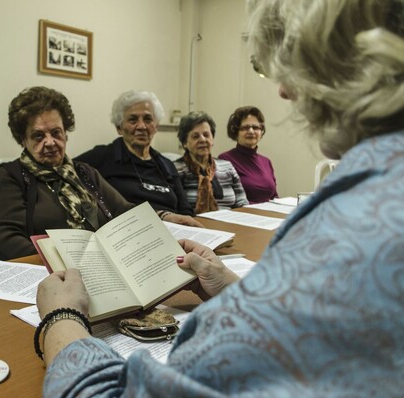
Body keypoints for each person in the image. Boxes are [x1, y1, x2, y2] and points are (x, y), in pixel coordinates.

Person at [34, 0, 404, 395]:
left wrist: (62, 316)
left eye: (291, 61)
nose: (282, 88)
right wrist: (232, 289)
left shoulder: (357, 225)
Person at [0, 86, 133, 260]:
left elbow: (125, 211)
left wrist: (159, 218)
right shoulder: (12, 177)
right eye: (38, 136)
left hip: (104, 263)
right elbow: (1, 240)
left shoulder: (83, 172)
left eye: (56, 133)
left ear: (65, 134)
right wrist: (60, 260)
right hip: (50, 274)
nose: (50, 142)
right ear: (23, 139)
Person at [75, 90, 202, 227]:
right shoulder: (102, 157)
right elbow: (67, 170)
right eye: (132, 120)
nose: (141, 126)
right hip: (129, 233)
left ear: (156, 126)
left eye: (148, 119)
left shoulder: (166, 164)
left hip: (173, 232)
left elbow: (185, 209)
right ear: (119, 127)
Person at [173, 111, 248, 212]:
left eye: (206, 135)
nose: (202, 139)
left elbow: (242, 201)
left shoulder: (227, 167)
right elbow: (174, 208)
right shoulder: (175, 169)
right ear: (184, 143)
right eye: (195, 136)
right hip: (193, 224)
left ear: (212, 139)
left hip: (229, 223)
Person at [218, 105, 279, 203]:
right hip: (242, 215)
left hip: (268, 215)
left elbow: (275, 198)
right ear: (235, 131)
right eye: (245, 127)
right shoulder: (225, 159)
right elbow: (228, 201)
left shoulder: (266, 162)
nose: (251, 131)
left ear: (261, 131)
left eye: (255, 127)